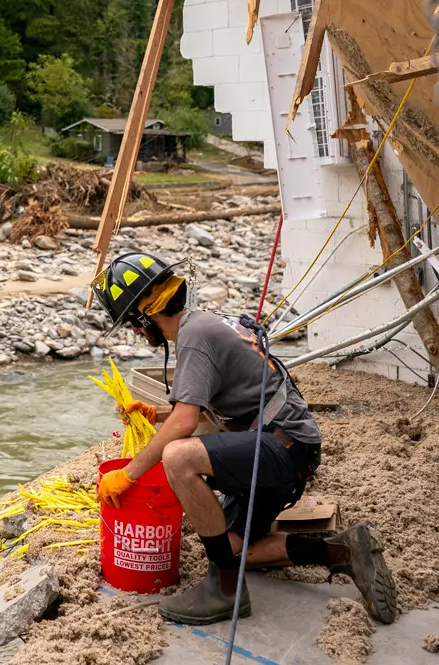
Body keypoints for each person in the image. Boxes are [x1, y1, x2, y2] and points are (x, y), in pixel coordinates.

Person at [90, 247, 398, 626]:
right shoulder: (204, 324)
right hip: (285, 446)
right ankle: (343, 552)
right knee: (230, 550)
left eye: (134, 325)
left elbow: (186, 424)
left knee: (178, 458)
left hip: (284, 446)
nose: (138, 333)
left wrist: (130, 474)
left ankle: (225, 592)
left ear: (145, 315)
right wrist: (157, 414)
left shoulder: (194, 335)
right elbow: (198, 408)